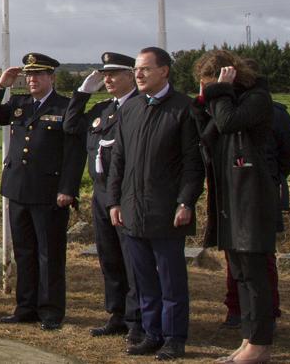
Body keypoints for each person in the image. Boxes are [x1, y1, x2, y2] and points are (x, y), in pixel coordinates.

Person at [107, 47, 204, 361]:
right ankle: (151, 333)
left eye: (145, 69)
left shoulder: (183, 108)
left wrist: (185, 201)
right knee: (144, 279)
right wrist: (114, 201)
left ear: (164, 71)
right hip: (132, 209)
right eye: (137, 69)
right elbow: (118, 160)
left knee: (170, 280)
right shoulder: (130, 109)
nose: (138, 74)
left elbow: (193, 163)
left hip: (166, 211)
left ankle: (174, 338)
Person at [0, 53, 82, 331]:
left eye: (39, 75)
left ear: (52, 78)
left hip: (49, 191)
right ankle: (25, 307)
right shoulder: (18, 103)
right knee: (23, 252)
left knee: (49, 254)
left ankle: (50, 311)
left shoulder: (65, 106)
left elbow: (74, 153)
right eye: (29, 75)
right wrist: (0, 85)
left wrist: (68, 189)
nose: (33, 80)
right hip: (18, 188)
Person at [192, 51, 279, 363]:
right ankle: (248, 338)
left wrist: (219, 92)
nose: (206, 91)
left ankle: (260, 345)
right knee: (240, 273)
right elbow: (207, 135)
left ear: (229, 76)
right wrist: (206, 101)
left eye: (208, 85)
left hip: (252, 197)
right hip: (231, 196)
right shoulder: (224, 99)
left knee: (255, 275)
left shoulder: (257, 99)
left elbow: (228, 123)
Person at [64, 52, 143, 342]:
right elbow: (71, 126)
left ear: (131, 75)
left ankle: (137, 318)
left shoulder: (139, 106)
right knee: (109, 256)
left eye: (114, 74)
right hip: (100, 191)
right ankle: (117, 313)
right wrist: (83, 92)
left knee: (131, 259)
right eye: (104, 75)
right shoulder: (103, 109)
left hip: (125, 193)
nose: (107, 79)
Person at [222, 92, 290, 328]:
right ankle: (237, 310)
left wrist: (270, 179)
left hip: (262, 193)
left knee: (262, 258)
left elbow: (288, 154)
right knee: (232, 255)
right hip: (232, 192)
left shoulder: (276, 114)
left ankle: (267, 313)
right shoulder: (228, 113)